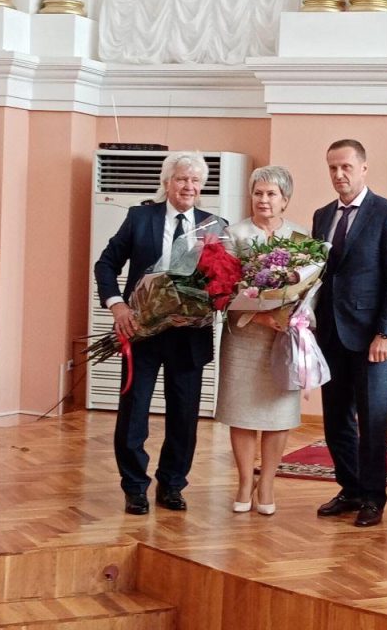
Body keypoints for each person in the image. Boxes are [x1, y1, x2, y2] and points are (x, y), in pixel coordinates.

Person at [94, 151, 223, 515]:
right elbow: (106, 264)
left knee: (184, 415)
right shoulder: (140, 218)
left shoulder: (215, 226)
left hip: (189, 336)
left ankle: (172, 484)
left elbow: (220, 281)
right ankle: (135, 487)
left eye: (195, 180)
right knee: (134, 412)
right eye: (182, 179)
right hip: (142, 331)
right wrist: (117, 306)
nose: (189, 186)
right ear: (167, 182)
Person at [312, 139, 387, 527]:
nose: (339, 175)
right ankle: (350, 489)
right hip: (330, 334)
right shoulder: (322, 215)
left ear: (363, 169)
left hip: (372, 338)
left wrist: (386, 332)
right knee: (335, 420)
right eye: (332, 168)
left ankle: (373, 497)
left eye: (346, 167)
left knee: (372, 422)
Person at [215, 165, 306, 516]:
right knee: (241, 411)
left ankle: (266, 482)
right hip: (244, 335)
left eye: (271, 194)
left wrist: (296, 316)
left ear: (285, 199)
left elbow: (312, 286)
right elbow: (223, 289)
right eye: (258, 193)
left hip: (284, 337)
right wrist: (260, 315)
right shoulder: (233, 234)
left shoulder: (300, 237)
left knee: (278, 413)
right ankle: (243, 481)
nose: (263, 199)